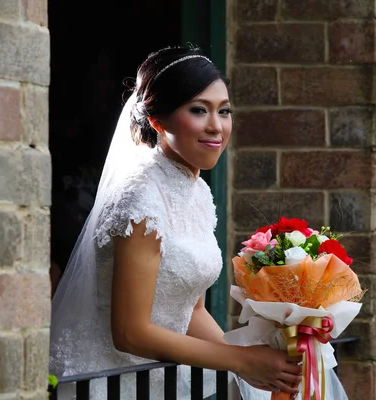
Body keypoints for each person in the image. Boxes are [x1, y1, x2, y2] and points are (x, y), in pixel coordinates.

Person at [49, 45, 303, 399]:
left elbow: (191, 310)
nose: (216, 126)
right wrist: (240, 360)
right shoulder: (141, 198)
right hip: (109, 383)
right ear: (158, 120)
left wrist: (249, 372)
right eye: (199, 110)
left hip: (159, 380)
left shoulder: (197, 190)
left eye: (224, 111)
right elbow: (130, 332)